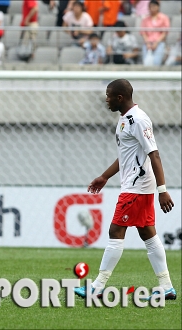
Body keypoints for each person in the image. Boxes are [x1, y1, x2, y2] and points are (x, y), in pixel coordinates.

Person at [73, 79, 176, 301]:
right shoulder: (124, 120)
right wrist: (104, 176)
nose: (106, 99)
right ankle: (166, 287)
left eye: (109, 95)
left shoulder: (138, 120)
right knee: (148, 233)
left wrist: (163, 190)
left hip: (137, 187)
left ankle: (97, 287)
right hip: (135, 186)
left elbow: (154, 154)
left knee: (115, 231)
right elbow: (126, 155)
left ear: (120, 97)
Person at [140, 0, 169, 66]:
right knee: (146, 63)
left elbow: (164, 33)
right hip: (147, 43)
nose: (152, 8)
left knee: (156, 62)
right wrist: (147, 43)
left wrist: (156, 43)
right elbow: (143, 32)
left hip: (159, 42)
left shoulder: (164, 18)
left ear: (158, 7)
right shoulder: (145, 19)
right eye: (150, 7)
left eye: (154, 6)